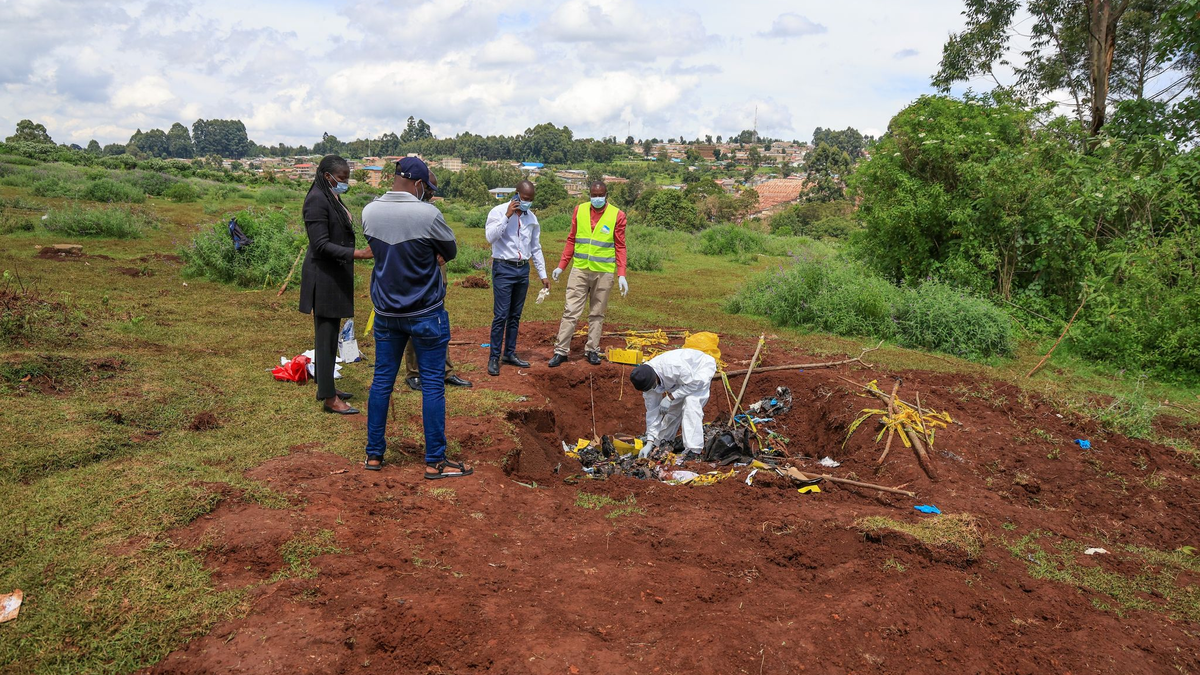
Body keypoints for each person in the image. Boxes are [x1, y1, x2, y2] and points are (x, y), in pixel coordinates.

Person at [362, 157, 472, 479]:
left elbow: (379, 251)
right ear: (420, 185)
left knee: (382, 382)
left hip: (385, 314)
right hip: (425, 313)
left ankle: (373, 456)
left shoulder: (369, 211)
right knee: (433, 386)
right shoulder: (428, 214)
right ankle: (435, 460)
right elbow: (449, 251)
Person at [298, 154, 373, 415]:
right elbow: (320, 245)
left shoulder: (330, 195)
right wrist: (358, 254)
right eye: (341, 179)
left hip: (334, 275)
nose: (345, 183)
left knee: (330, 338)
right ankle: (330, 399)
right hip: (324, 277)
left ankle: (326, 385)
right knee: (326, 337)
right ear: (327, 176)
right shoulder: (317, 200)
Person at [549, 181, 629, 367]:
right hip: (580, 269)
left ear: (606, 195)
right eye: (594, 195)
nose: (597, 198)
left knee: (597, 313)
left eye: (600, 195)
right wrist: (561, 265)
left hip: (603, 272)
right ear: (589, 194)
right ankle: (561, 350)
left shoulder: (617, 215)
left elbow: (620, 245)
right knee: (571, 311)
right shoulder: (580, 210)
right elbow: (571, 239)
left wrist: (622, 274)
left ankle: (592, 349)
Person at [484, 180, 549, 376]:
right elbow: (490, 237)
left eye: (530, 200)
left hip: (522, 270)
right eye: (524, 199)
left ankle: (509, 353)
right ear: (517, 194)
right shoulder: (498, 212)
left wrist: (543, 274)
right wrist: (507, 216)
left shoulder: (532, 218)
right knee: (501, 315)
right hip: (504, 268)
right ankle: (494, 357)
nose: (527, 202)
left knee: (515, 315)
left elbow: (535, 247)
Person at [629, 348, 718, 456]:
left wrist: (671, 397)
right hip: (681, 381)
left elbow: (694, 384)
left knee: (691, 403)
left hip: (698, 372)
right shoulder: (648, 385)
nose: (653, 389)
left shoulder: (672, 366)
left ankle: (693, 450)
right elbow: (653, 412)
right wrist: (650, 441)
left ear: (655, 376)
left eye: (653, 385)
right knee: (671, 411)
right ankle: (661, 444)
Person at [404, 259, 472, 390]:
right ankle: (413, 372)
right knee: (414, 318)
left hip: (437, 263)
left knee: (439, 320)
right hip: (414, 261)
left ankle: (446, 371)